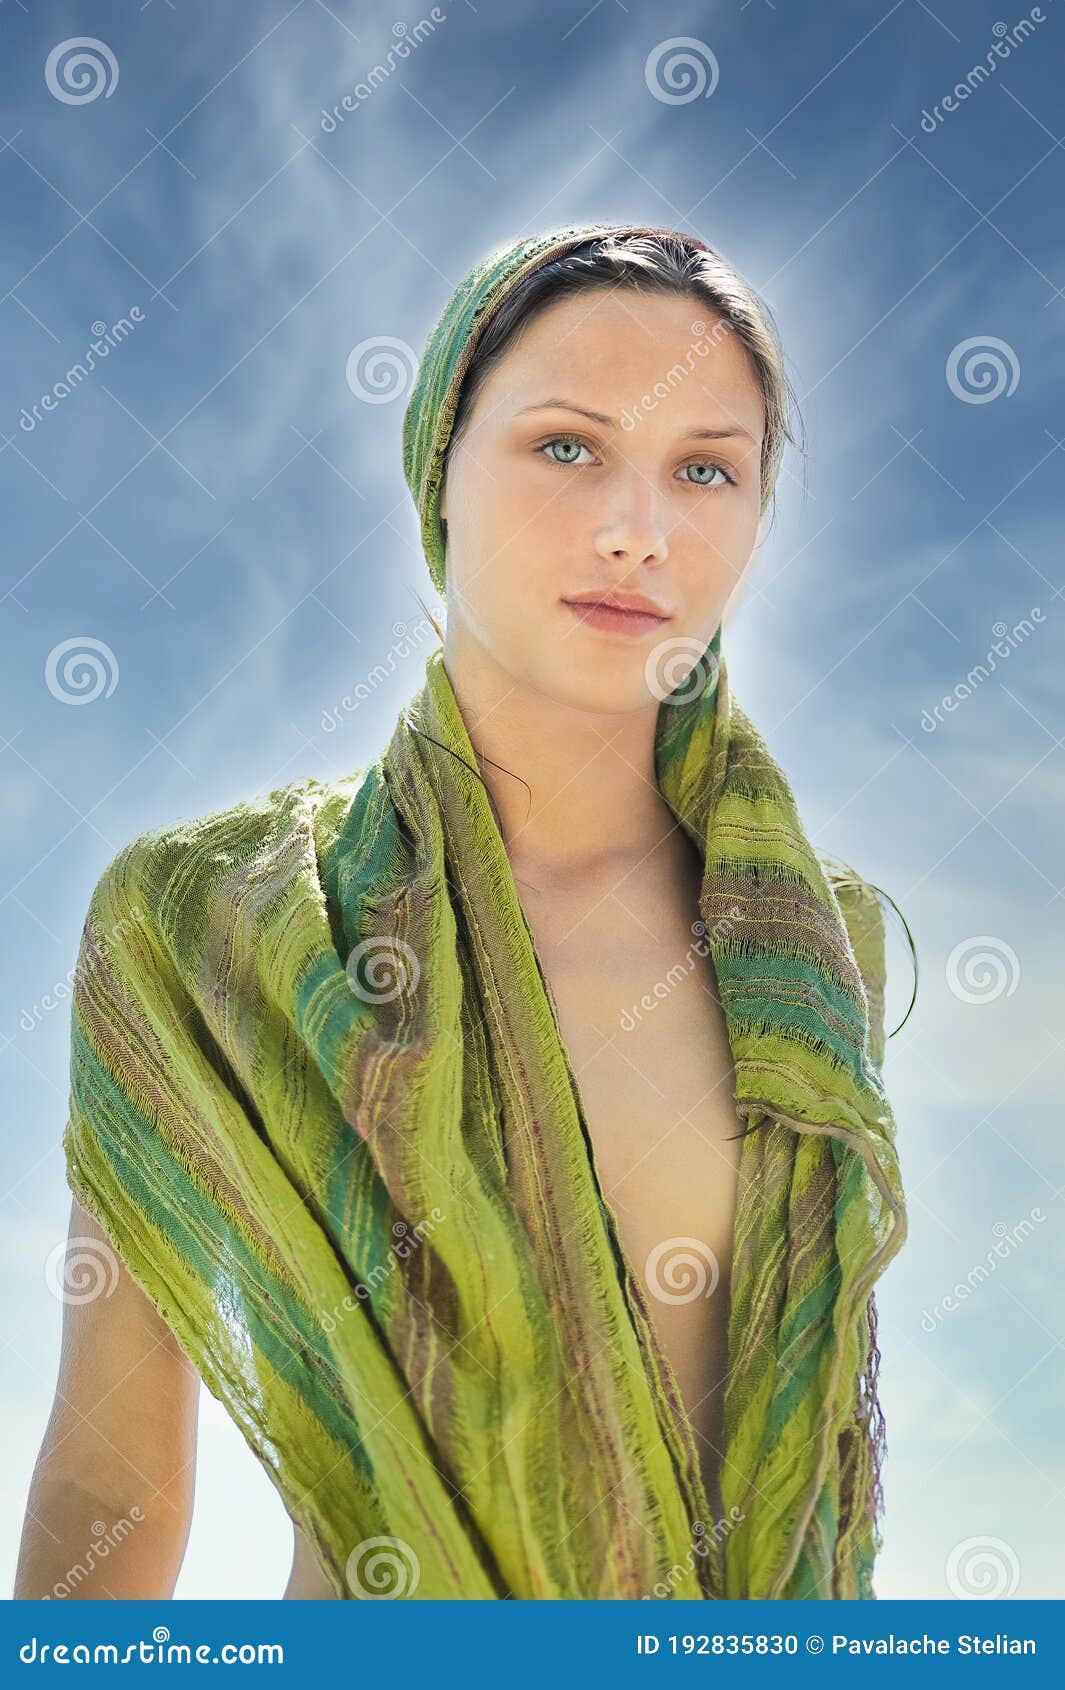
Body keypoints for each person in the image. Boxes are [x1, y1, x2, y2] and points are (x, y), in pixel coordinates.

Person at [16, 223, 908, 1602]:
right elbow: (114, 1483)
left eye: (705, 469)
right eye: (565, 445)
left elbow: (799, 1458)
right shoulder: (208, 923)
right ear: (440, 468)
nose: (637, 527)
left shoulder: (806, 947)